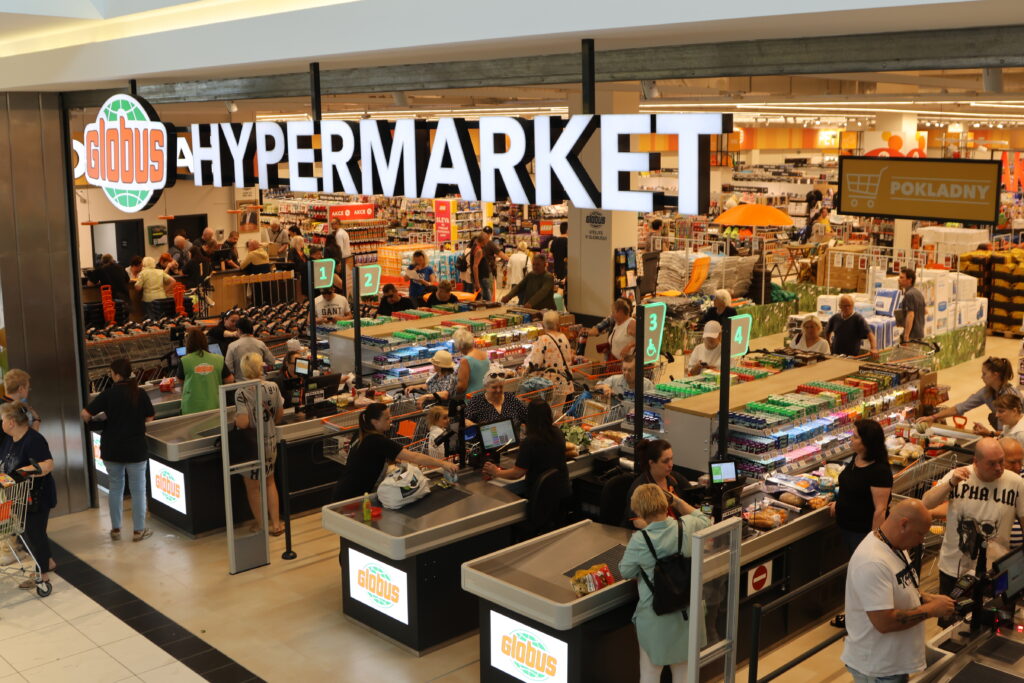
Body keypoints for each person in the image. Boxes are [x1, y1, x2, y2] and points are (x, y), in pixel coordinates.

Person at [841, 499, 955, 683]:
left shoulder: (894, 546)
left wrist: (927, 598)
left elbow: (900, 587)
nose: (921, 540)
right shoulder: (872, 561)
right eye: (920, 534)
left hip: (893, 663)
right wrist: (931, 610)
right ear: (903, 524)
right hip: (879, 669)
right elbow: (884, 622)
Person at [619, 483, 710, 683]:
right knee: (684, 675)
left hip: (655, 618)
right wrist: (676, 500)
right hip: (688, 613)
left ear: (640, 511)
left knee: (650, 674)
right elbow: (705, 519)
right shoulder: (687, 526)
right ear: (665, 503)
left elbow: (625, 571)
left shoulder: (640, 540)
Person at [922, 438, 1024, 609]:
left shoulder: (1016, 483)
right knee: (951, 618)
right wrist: (950, 483)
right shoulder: (958, 477)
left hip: (994, 571)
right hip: (953, 568)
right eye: (991, 463)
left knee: (990, 619)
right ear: (976, 462)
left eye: (1001, 461)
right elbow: (927, 503)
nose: (998, 468)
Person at [81, 358, 155, 542]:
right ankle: (138, 531)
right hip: (136, 448)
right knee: (138, 490)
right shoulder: (140, 393)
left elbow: (85, 414)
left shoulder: (108, 395)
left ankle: (115, 529)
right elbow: (150, 417)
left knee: (115, 488)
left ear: (116, 375)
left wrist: (104, 422)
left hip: (112, 448)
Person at [334, 403, 457, 500]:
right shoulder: (376, 440)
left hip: (344, 491)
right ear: (375, 422)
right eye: (387, 418)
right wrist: (443, 463)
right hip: (351, 497)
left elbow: (367, 460)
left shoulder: (361, 434)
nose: (391, 420)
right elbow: (414, 457)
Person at [0, 402, 57, 589]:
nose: (1, 423)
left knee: (34, 534)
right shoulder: (10, 439)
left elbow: (48, 464)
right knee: (31, 532)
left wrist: (20, 474)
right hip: (18, 497)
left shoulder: (33, 440)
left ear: (11, 422)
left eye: (2, 419)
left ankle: (42, 576)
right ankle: (47, 562)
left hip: (36, 497)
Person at [233, 352, 286, 536]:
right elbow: (279, 415)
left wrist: (235, 418)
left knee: (253, 487)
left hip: (251, 446)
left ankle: (261, 525)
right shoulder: (273, 387)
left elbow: (243, 423)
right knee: (270, 482)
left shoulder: (241, 392)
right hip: (270, 441)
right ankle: (277, 525)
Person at [483, 399, 570, 499]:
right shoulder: (558, 433)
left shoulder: (530, 442)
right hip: (562, 491)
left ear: (530, 418)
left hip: (542, 497)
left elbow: (517, 473)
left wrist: (496, 471)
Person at [832, 420, 894, 554]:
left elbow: (880, 510)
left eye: (855, 437)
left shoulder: (879, 471)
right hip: (846, 528)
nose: (851, 439)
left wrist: (874, 543)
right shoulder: (858, 456)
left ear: (867, 442)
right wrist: (838, 505)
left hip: (862, 534)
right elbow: (852, 487)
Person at [921, 357, 1020, 431]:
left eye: (984, 374)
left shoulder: (1010, 397)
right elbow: (961, 407)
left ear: (995, 375)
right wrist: (933, 417)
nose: (982, 377)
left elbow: (1009, 433)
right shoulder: (987, 392)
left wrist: (989, 434)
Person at [623, 438, 692, 527]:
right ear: (651, 463)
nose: (671, 464)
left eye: (671, 459)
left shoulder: (675, 478)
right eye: (665, 461)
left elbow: (697, 501)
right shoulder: (640, 488)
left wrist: (706, 512)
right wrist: (666, 531)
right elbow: (638, 522)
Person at [520, 310, 574, 408]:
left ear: (543, 324)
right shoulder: (563, 337)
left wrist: (524, 371)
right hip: (564, 383)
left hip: (548, 386)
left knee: (546, 412)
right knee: (557, 412)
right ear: (557, 324)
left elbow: (535, 363)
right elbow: (569, 358)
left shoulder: (543, 339)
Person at [176, 327, 232, 414]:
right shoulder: (219, 359)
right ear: (205, 341)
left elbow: (180, 381)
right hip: (214, 405)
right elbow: (229, 380)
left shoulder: (184, 360)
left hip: (191, 407)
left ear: (188, 343)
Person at [2, 369, 41, 436]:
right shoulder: (14, 410)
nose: (28, 390)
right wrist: (36, 423)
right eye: (28, 388)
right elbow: (25, 439)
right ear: (20, 389)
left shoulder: (9, 405)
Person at [134, 256, 176, 320]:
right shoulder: (160, 272)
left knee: (151, 319)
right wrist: (165, 290)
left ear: (144, 264)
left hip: (149, 299)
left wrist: (135, 285)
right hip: (162, 297)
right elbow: (173, 281)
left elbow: (138, 288)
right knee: (162, 317)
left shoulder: (143, 273)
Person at [454, 327, 489, 396]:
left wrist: (451, 392)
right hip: (485, 394)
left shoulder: (466, 360)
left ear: (459, 346)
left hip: (472, 397)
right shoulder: (484, 354)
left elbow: (462, 386)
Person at [897, 267, 926, 343]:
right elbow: (925, 311)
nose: (899, 279)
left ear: (909, 280)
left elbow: (910, 315)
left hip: (911, 335)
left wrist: (906, 336)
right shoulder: (918, 293)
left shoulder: (909, 295)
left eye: (902, 277)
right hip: (919, 333)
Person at [471, 232, 492, 301]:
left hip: (481, 277)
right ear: (483, 241)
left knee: (483, 299)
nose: (488, 241)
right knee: (488, 300)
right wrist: (477, 283)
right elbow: (475, 266)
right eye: (487, 239)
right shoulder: (479, 250)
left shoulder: (475, 245)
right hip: (482, 278)